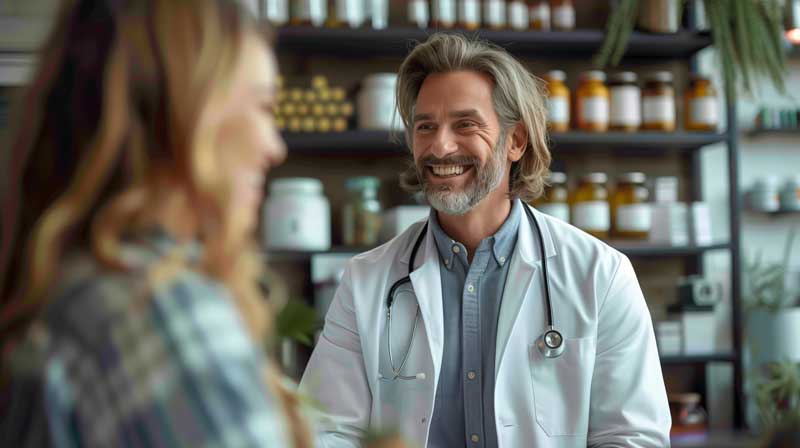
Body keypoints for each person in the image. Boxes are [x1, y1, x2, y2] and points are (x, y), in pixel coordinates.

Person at [300, 33, 671, 447]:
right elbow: (328, 431)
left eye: (466, 125)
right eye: (426, 126)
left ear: (515, 141)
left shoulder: (601, 275)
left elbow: (633, 438)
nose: (440, 146)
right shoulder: (365, 281)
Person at [0, 0, 312, 446]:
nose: (274, 147)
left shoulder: (69, 293)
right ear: (187, 113)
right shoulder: (159, 315)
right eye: (263, 107)